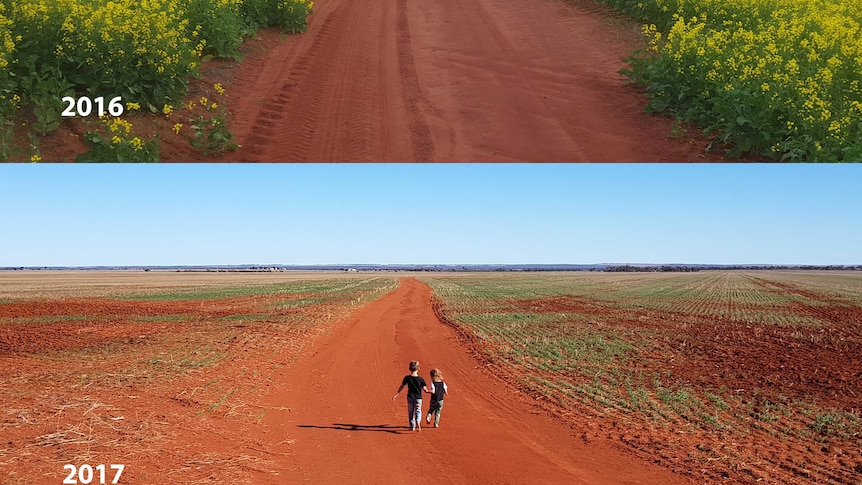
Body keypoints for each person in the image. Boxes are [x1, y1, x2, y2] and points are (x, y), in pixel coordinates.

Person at [392, 360, 430, 431]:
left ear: (409, 368)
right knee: (418, 410)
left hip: (410, 397)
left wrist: (397, 394)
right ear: (419, 368)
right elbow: (425, 390)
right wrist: (432, 392)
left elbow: (402, 386)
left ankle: (412, 426)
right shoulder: (421, 379)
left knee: (411, 411)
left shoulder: (407, 378)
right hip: (418, 398)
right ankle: (418, 422)